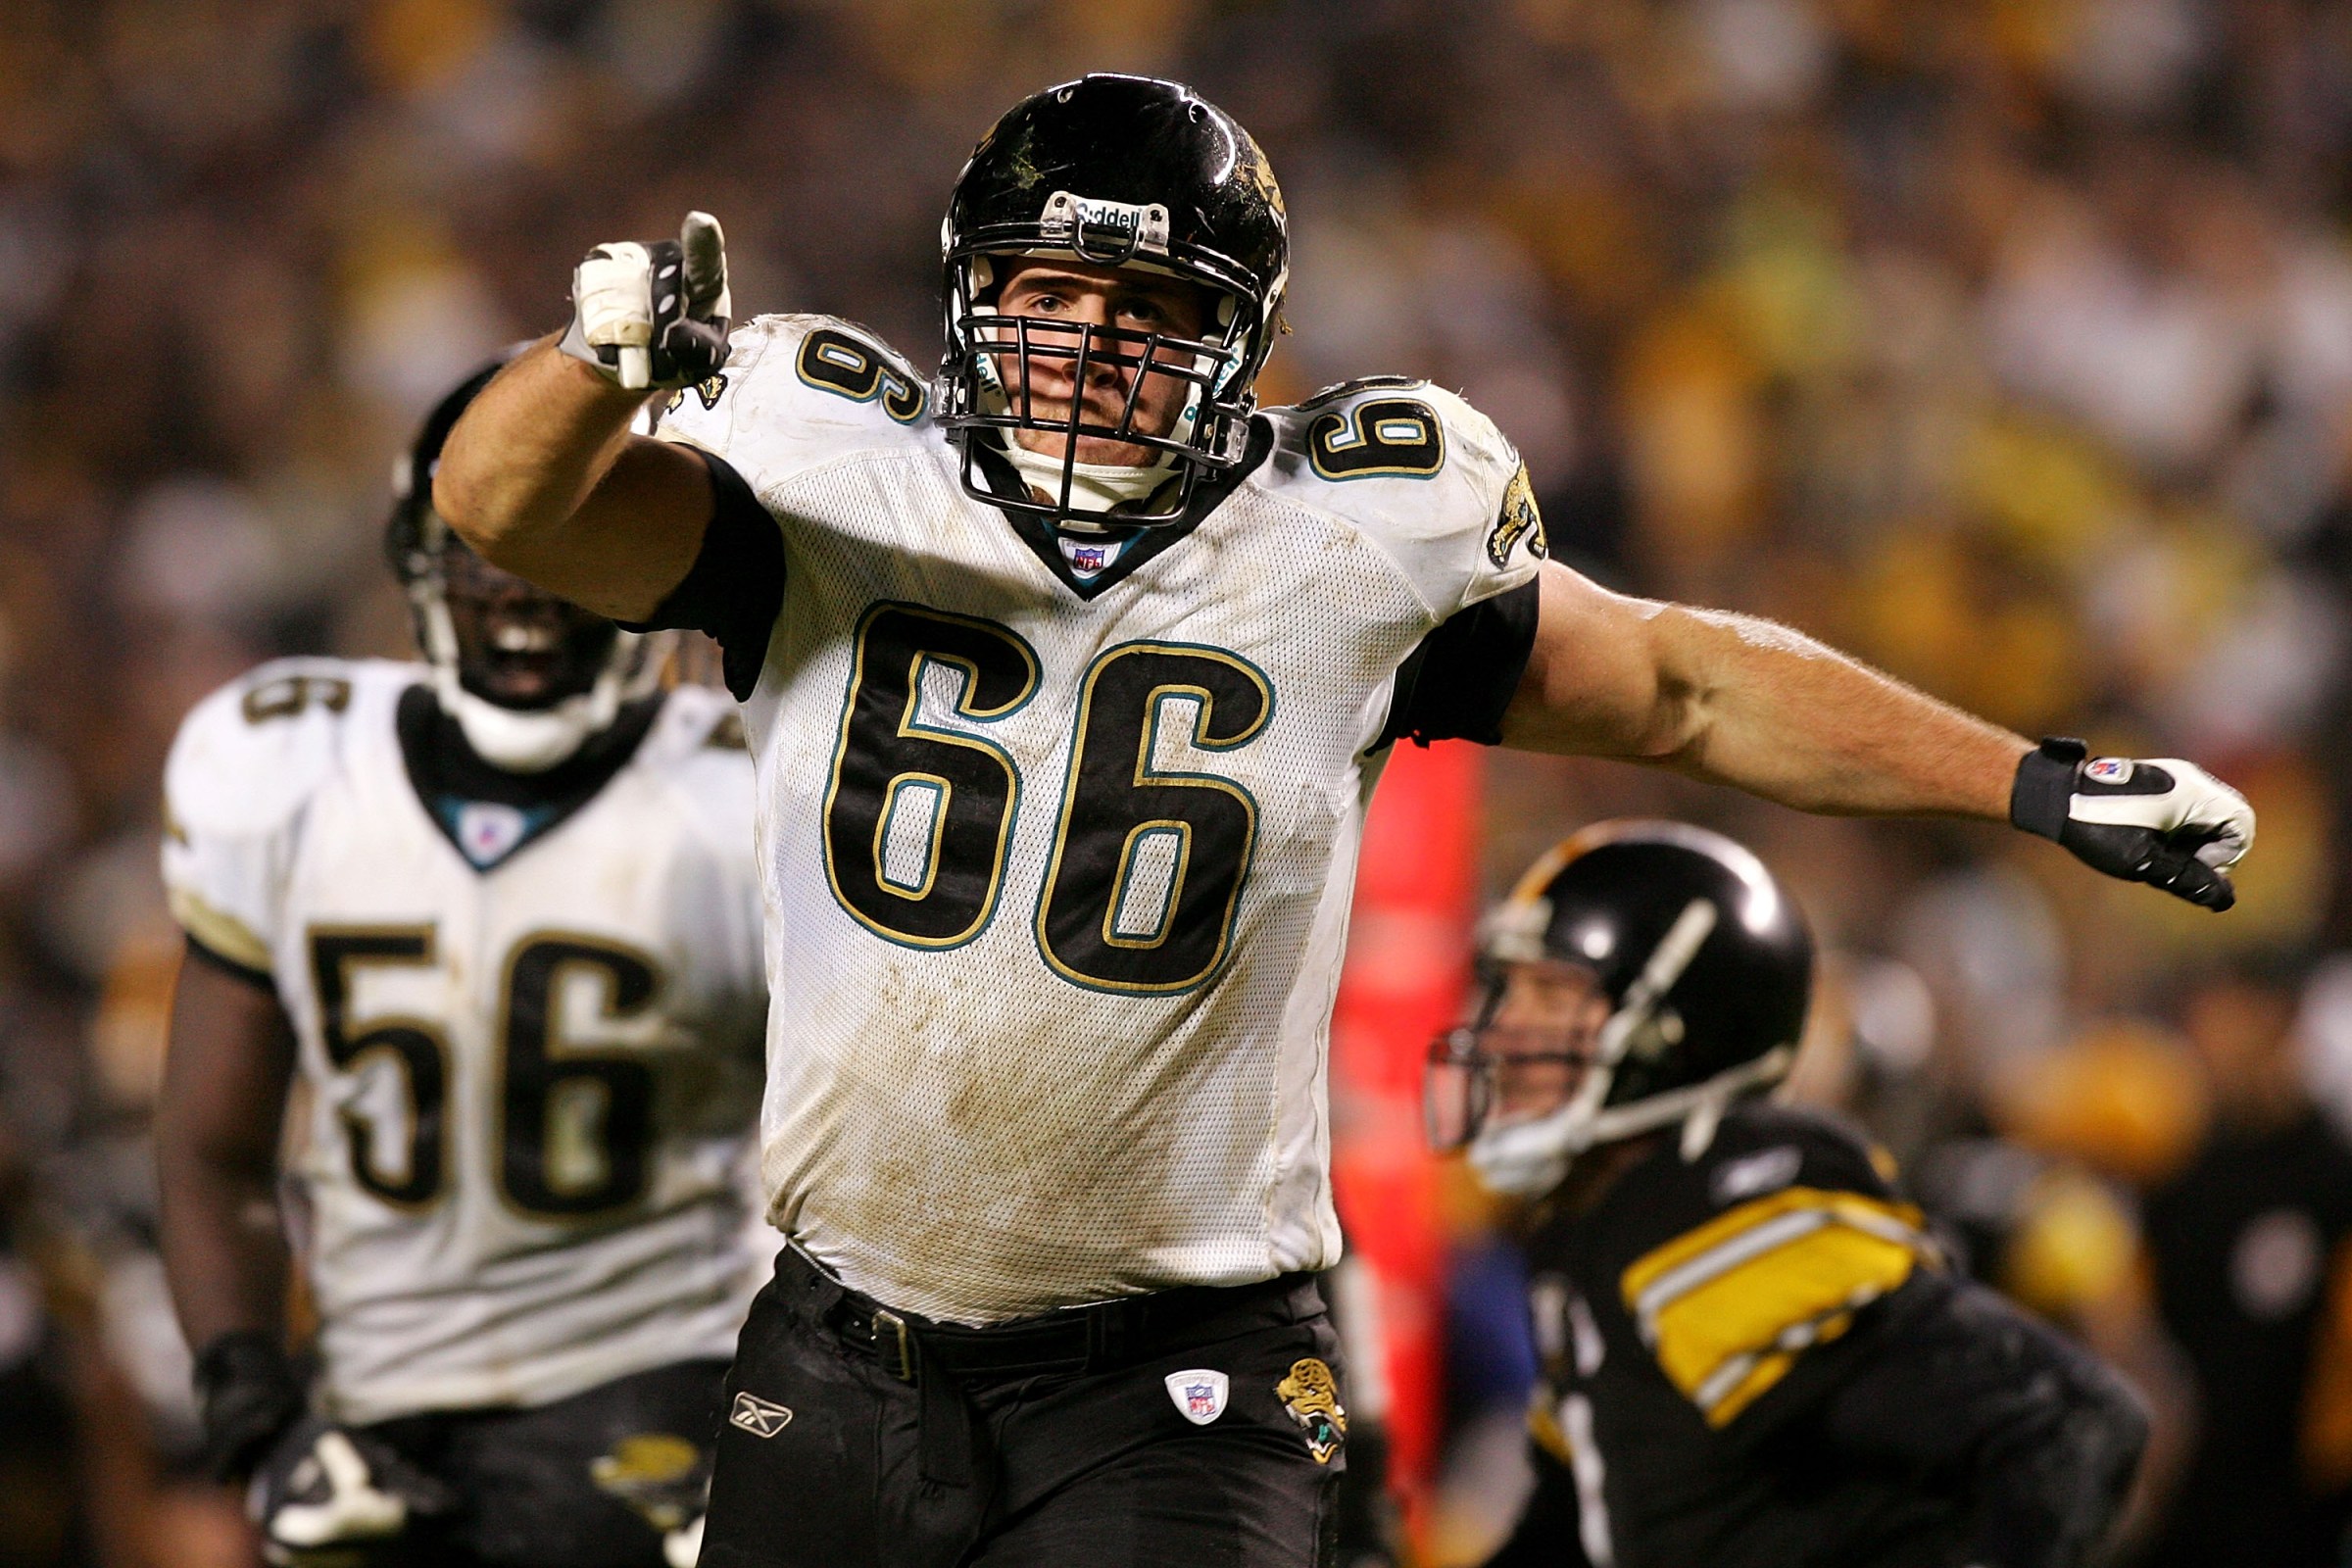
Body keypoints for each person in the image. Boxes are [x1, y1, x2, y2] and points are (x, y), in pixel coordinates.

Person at [427, 73, 2252, 1568]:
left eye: (1146, 314)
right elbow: (508, 507)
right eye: (1051, 299)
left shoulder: (1347, 541)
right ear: (974, 303)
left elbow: (1688, 684)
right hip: (839, 1336)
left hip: (1171, 1369)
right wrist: (592, 362)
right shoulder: (833, 489)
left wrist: (2033, 776)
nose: (1085, 350)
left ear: (1239, 343)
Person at [154, 361, 770, 1568]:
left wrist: (788, 1425)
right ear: (415, 552)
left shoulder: (744, 780)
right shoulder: (286, 764)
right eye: (488, 547)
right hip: (378, 1407)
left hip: (668, 1387)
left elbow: (853, 1156)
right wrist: (259, 1420)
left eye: (565, 546)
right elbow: (211, 1148)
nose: (524, 594)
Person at [1430, 821, 2150, 1568]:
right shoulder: (1590, 1227)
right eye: (1509, 991)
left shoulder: (1743, 1218)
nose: (1505, 1028)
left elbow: (2074, 1425)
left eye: (1550, 995)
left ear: (1677, 1027)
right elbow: (1580, 1524)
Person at [2136, 954, 2352, 1567]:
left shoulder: (2332, 1182)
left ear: (2278, 1022)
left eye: (2225, 1018)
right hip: (2187, 1512)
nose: (2206, 1039)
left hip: (2296, 1518)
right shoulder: (2185, 1174)